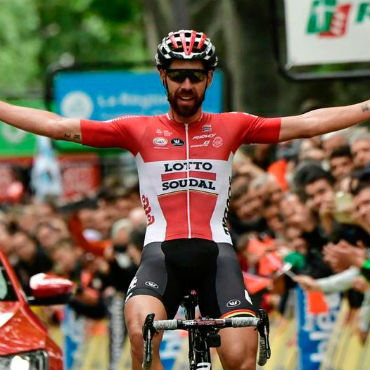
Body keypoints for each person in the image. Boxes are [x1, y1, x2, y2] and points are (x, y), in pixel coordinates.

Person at [0, 29, 369, 370]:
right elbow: (57, 126)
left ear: (210, 77)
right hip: (161, 253)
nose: (187, 85)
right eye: (177, 75)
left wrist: (365, 108)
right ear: (163, 76)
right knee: (139, 331)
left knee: (242, 358)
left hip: (217, 254)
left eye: (196, 75)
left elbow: (307, 123)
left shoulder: (233, 125)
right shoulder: (138, 130)